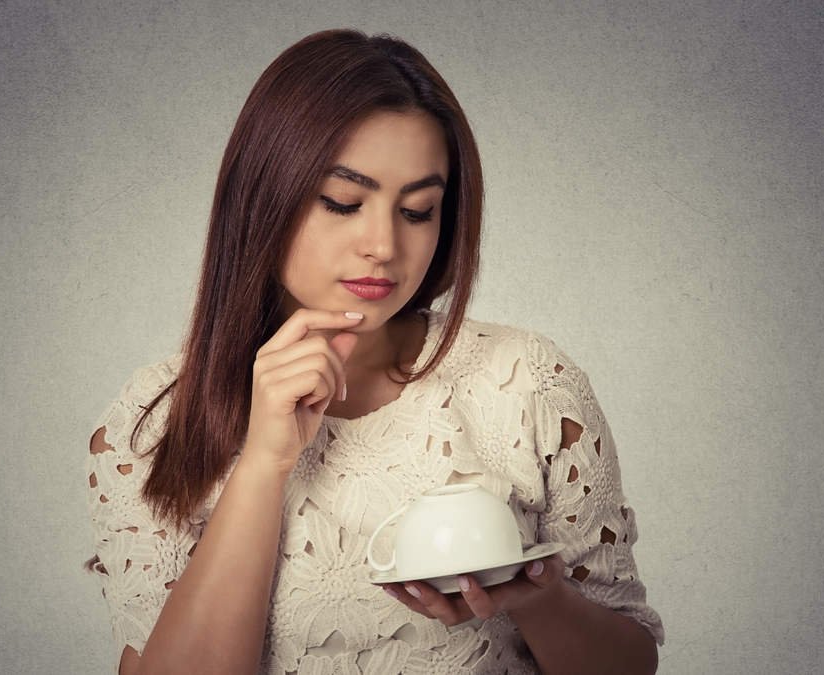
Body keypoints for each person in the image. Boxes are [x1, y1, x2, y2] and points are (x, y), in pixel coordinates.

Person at [85, 29, 664, 675]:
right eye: (343, 202)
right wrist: (264, 463)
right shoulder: (153, 421)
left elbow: (630, 665)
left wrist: (541, 599)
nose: (383, 244)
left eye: (418, 210)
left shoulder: (526, 382)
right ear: (261, 199)